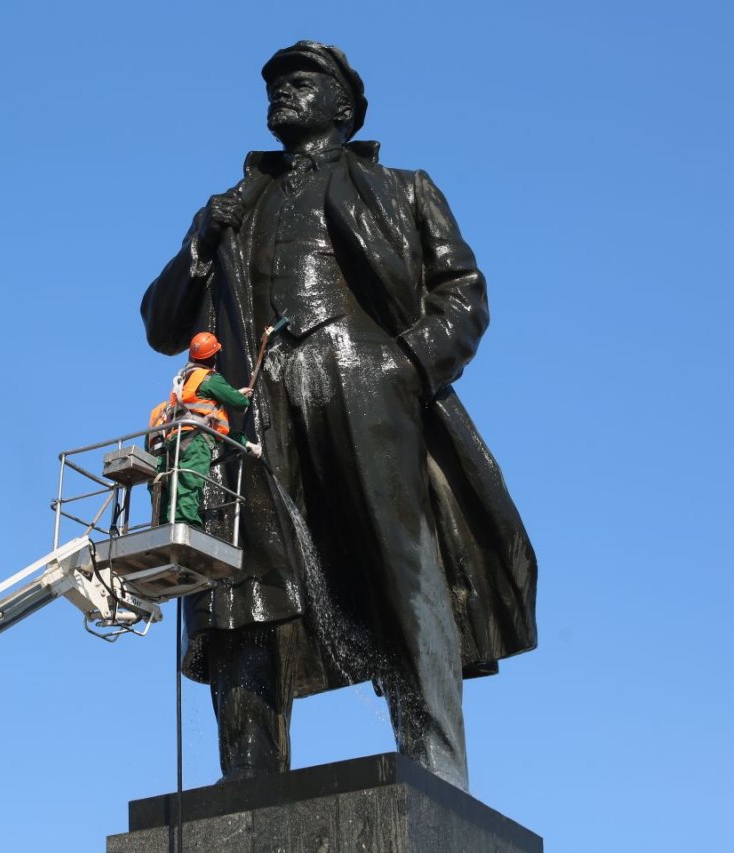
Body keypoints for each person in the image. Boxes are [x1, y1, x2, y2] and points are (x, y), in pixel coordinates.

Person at [140, 41, 537, 790]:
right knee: (240, 579)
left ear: (345, 106)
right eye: (275, 83)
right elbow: (161, 324)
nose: (283, 91)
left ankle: (433, 763)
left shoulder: (402, 188)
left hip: (359, 380)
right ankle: (249, 776)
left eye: (302, 81)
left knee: (397, 565)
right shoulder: (230, 209)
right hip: (249, 403)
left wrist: (405, 363)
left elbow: (463, 293)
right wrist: (199, 240)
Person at [149, 331, 260, 528]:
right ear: (213, 357)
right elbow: (240, 403)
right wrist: (238, 395)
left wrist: (246, 443)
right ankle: (184, 523)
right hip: (196, 441)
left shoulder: (184, 379)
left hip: (176, 438)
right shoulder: (210, 378)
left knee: (174, 480)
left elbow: (209, 416)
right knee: (190, 480)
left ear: (191, 355)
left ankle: (165, 524)